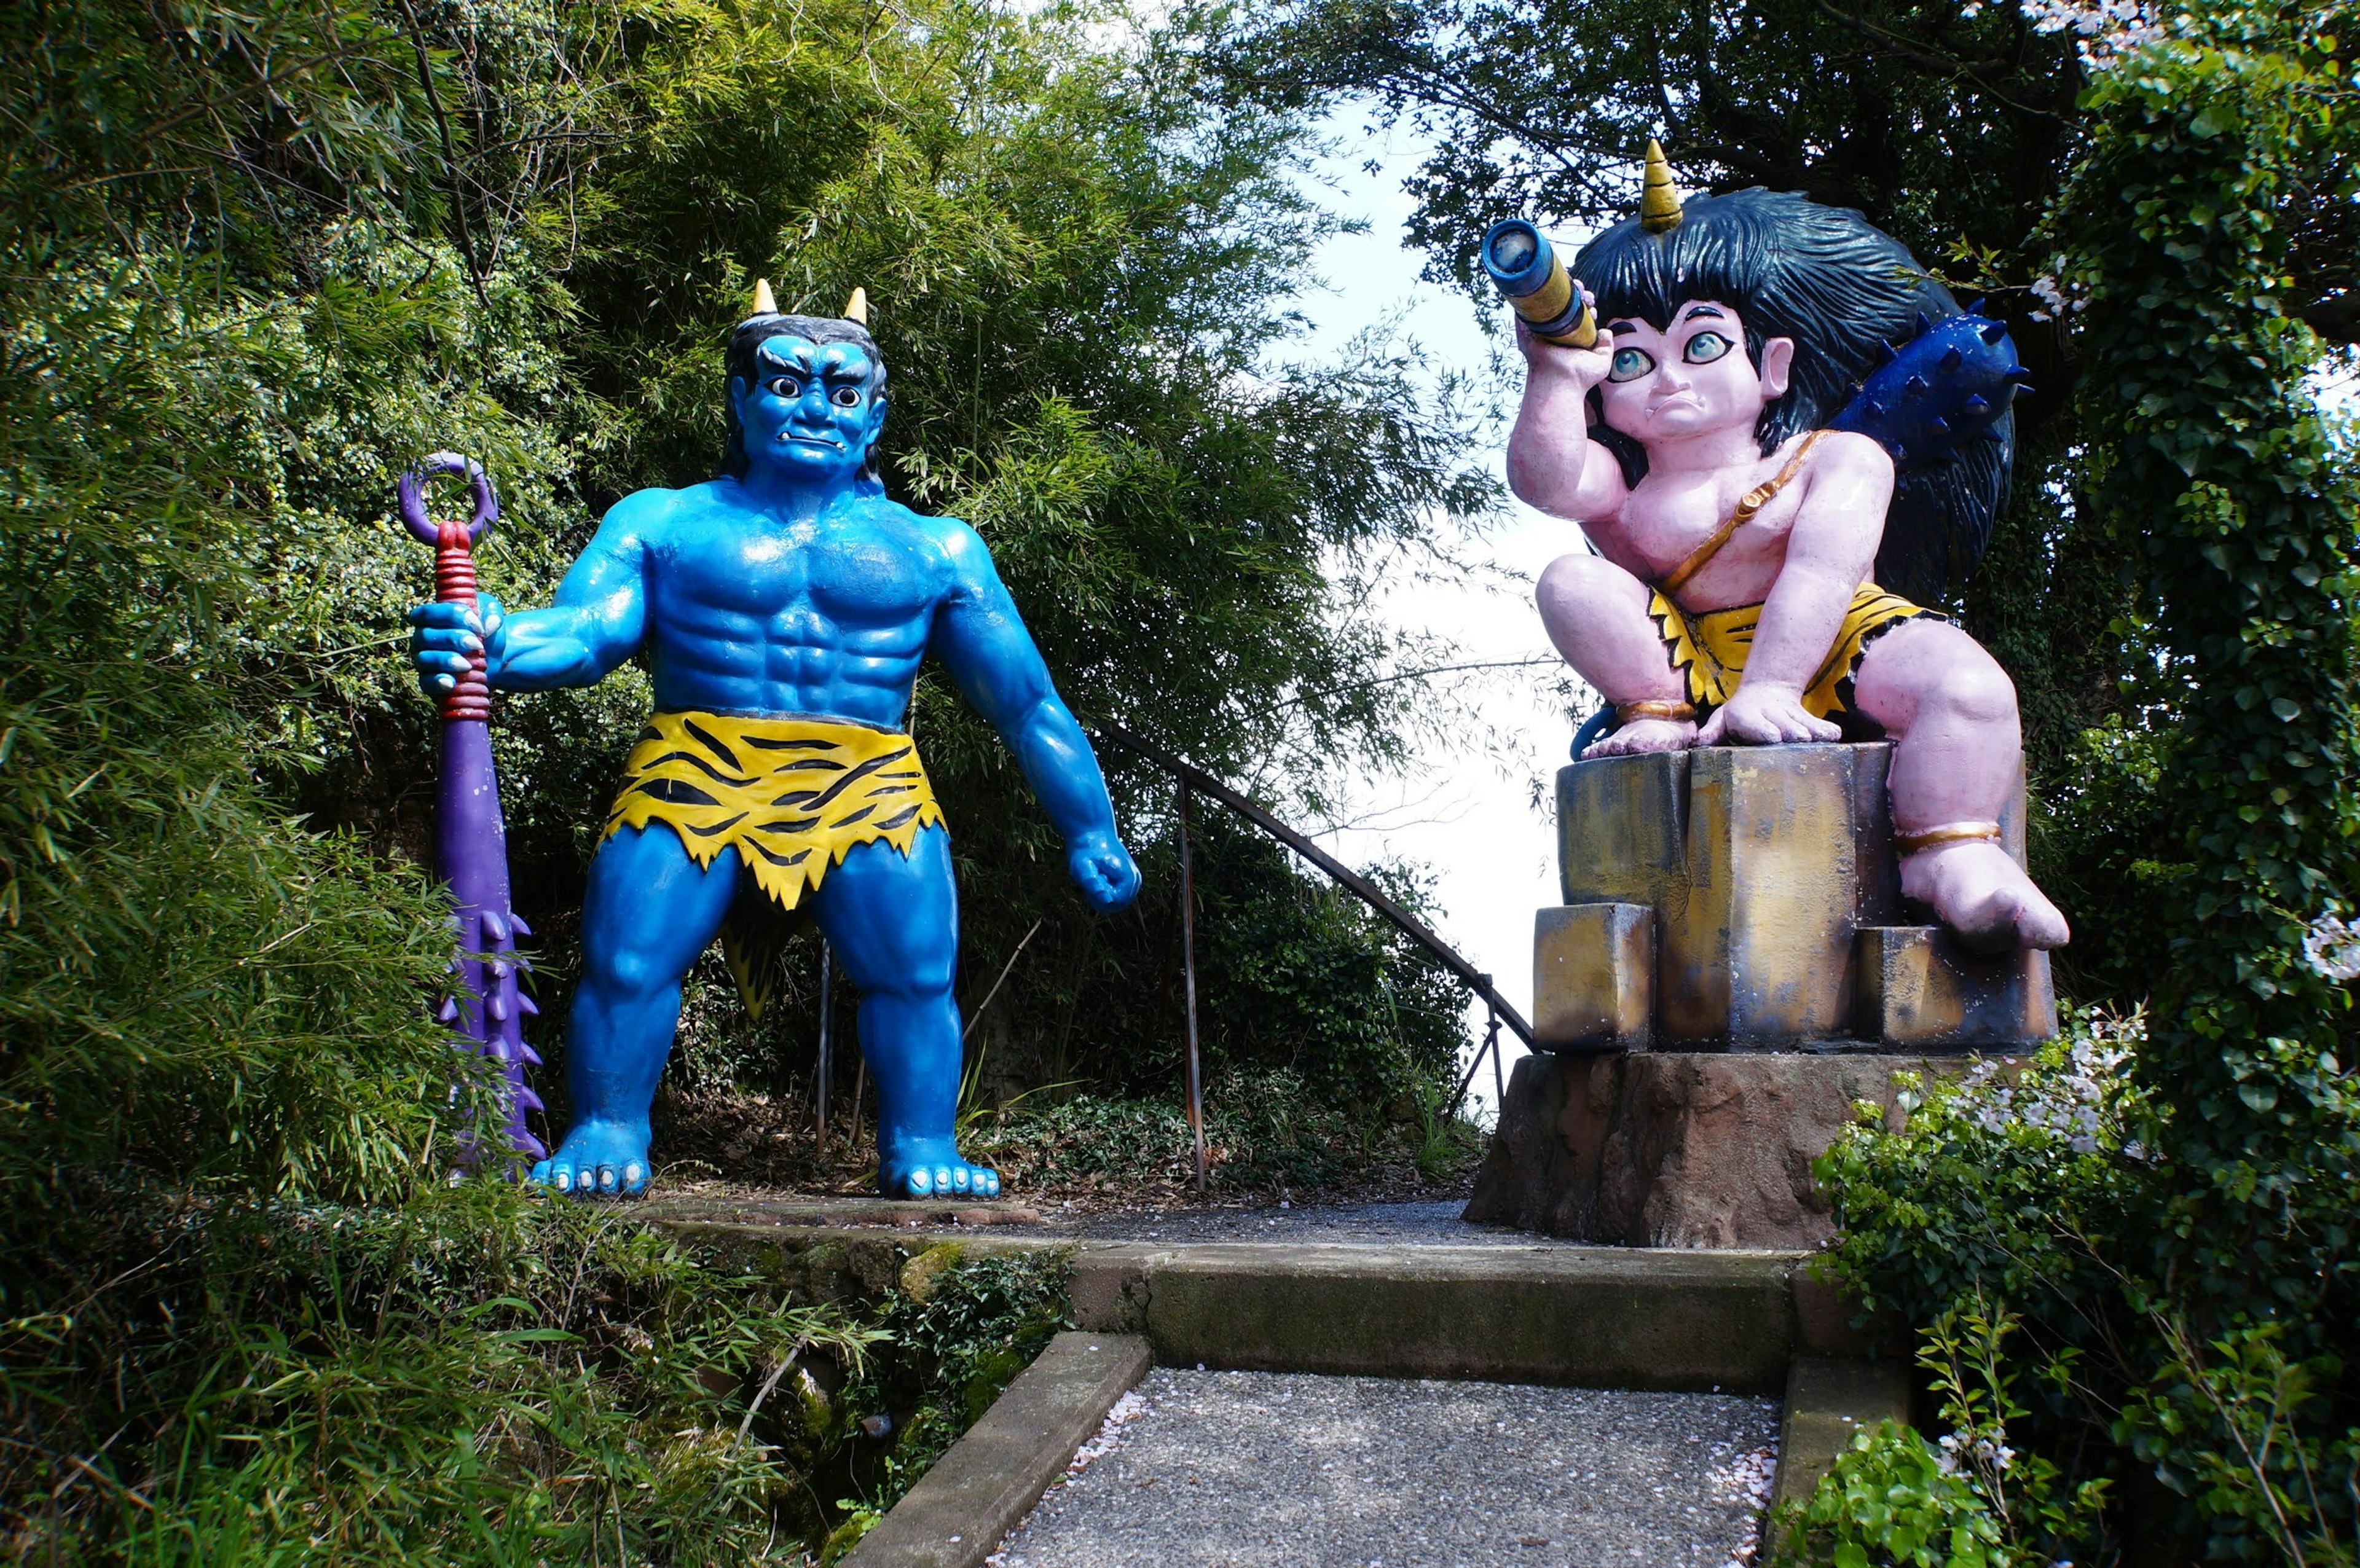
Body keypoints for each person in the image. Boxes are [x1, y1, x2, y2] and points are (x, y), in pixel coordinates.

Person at [411, 287, 1142, 1198]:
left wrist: (1091, 825)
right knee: (628, 960)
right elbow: (591, 631)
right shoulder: (661, 520)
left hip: (867, 774)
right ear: (739, 398)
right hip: (699, 759)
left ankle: (922, 1147)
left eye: (841, 393)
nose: (812, 410)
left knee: (915, 974)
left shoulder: (939, 548)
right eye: (787, 384)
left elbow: (1027, 703)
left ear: (875, 417)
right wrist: (497, 639)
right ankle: (605, 1132)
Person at [1508, 157, 2068, 952]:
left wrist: (1772, 686)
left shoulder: (1835, 459)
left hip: (1840, 641)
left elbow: (1822, 573)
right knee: (1571, 581)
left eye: (1701, 344)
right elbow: (1547, 479)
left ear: (1771, 365)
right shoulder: (1624, 489)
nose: (1668, 379)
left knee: (1969, 690)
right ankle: (1656, 711)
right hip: (1690, 656)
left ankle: (1952, 851)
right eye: (1633, 360)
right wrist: (1558, 376)